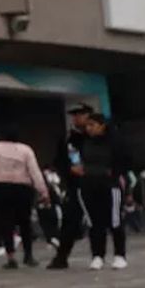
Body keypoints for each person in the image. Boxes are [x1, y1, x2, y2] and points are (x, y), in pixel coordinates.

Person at [0, 126, 49, 269]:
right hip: (22, 189)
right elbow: (34, 172)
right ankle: (28, 255)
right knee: (25, 223)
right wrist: (43, 191)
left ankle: (11, 257)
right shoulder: (25, 150)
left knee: (5, 223)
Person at [76, 114, 129, 270]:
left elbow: (124, 161)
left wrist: (114, 173)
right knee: (94, 222)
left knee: (115, 220)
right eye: (87, 125)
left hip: (109, 185)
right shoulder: (83, 142)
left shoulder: (115, 142)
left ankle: (120, 255)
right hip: (89, 184)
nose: (89, 128)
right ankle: (97, 255)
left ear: (102, 125)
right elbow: (75, 159)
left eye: (92, 125)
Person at [46, 105, 94, 270]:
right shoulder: (68, 138)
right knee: (69, 221)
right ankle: (61, 257)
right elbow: (58, 161)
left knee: (101, 220)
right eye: (74, 115)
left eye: (80, 114)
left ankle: (102, 255)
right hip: (75, 185)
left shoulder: (97, 136)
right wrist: (68, 169)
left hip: (97, 181)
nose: (77, 118)